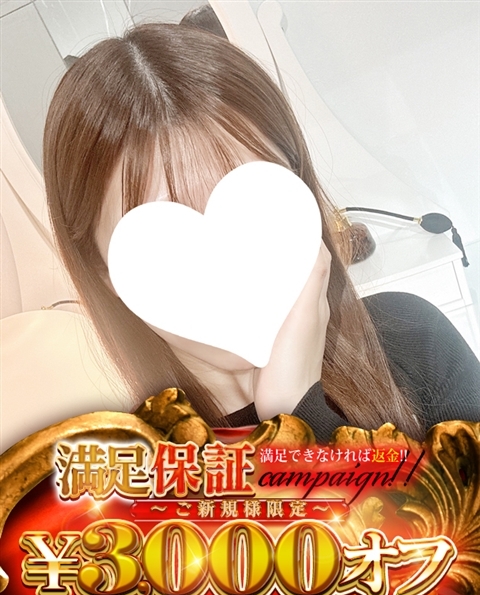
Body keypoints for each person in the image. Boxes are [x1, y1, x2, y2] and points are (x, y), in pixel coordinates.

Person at [43, 22, 480, 443]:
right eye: (166, 246)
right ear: (106, 273)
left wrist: (301, 410)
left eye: (256, 210)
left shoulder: (412, 338)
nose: (228, 269)